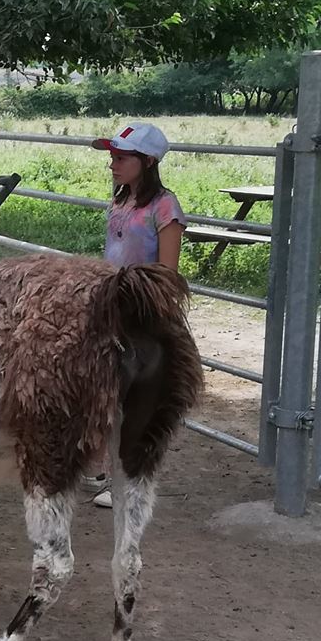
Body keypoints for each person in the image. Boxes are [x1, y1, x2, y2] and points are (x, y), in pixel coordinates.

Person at [86, 121, 187, 508]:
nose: (113, 164)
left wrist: (150, 310)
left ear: (146, 162)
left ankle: (126, 477)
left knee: (135, 394)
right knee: (104, 387)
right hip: (112, 303)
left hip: (142, 309)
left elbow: (167, 271)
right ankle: (100, 465)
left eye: (122, 157)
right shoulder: (122, 200)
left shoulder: (165, 208)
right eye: (113, 156)